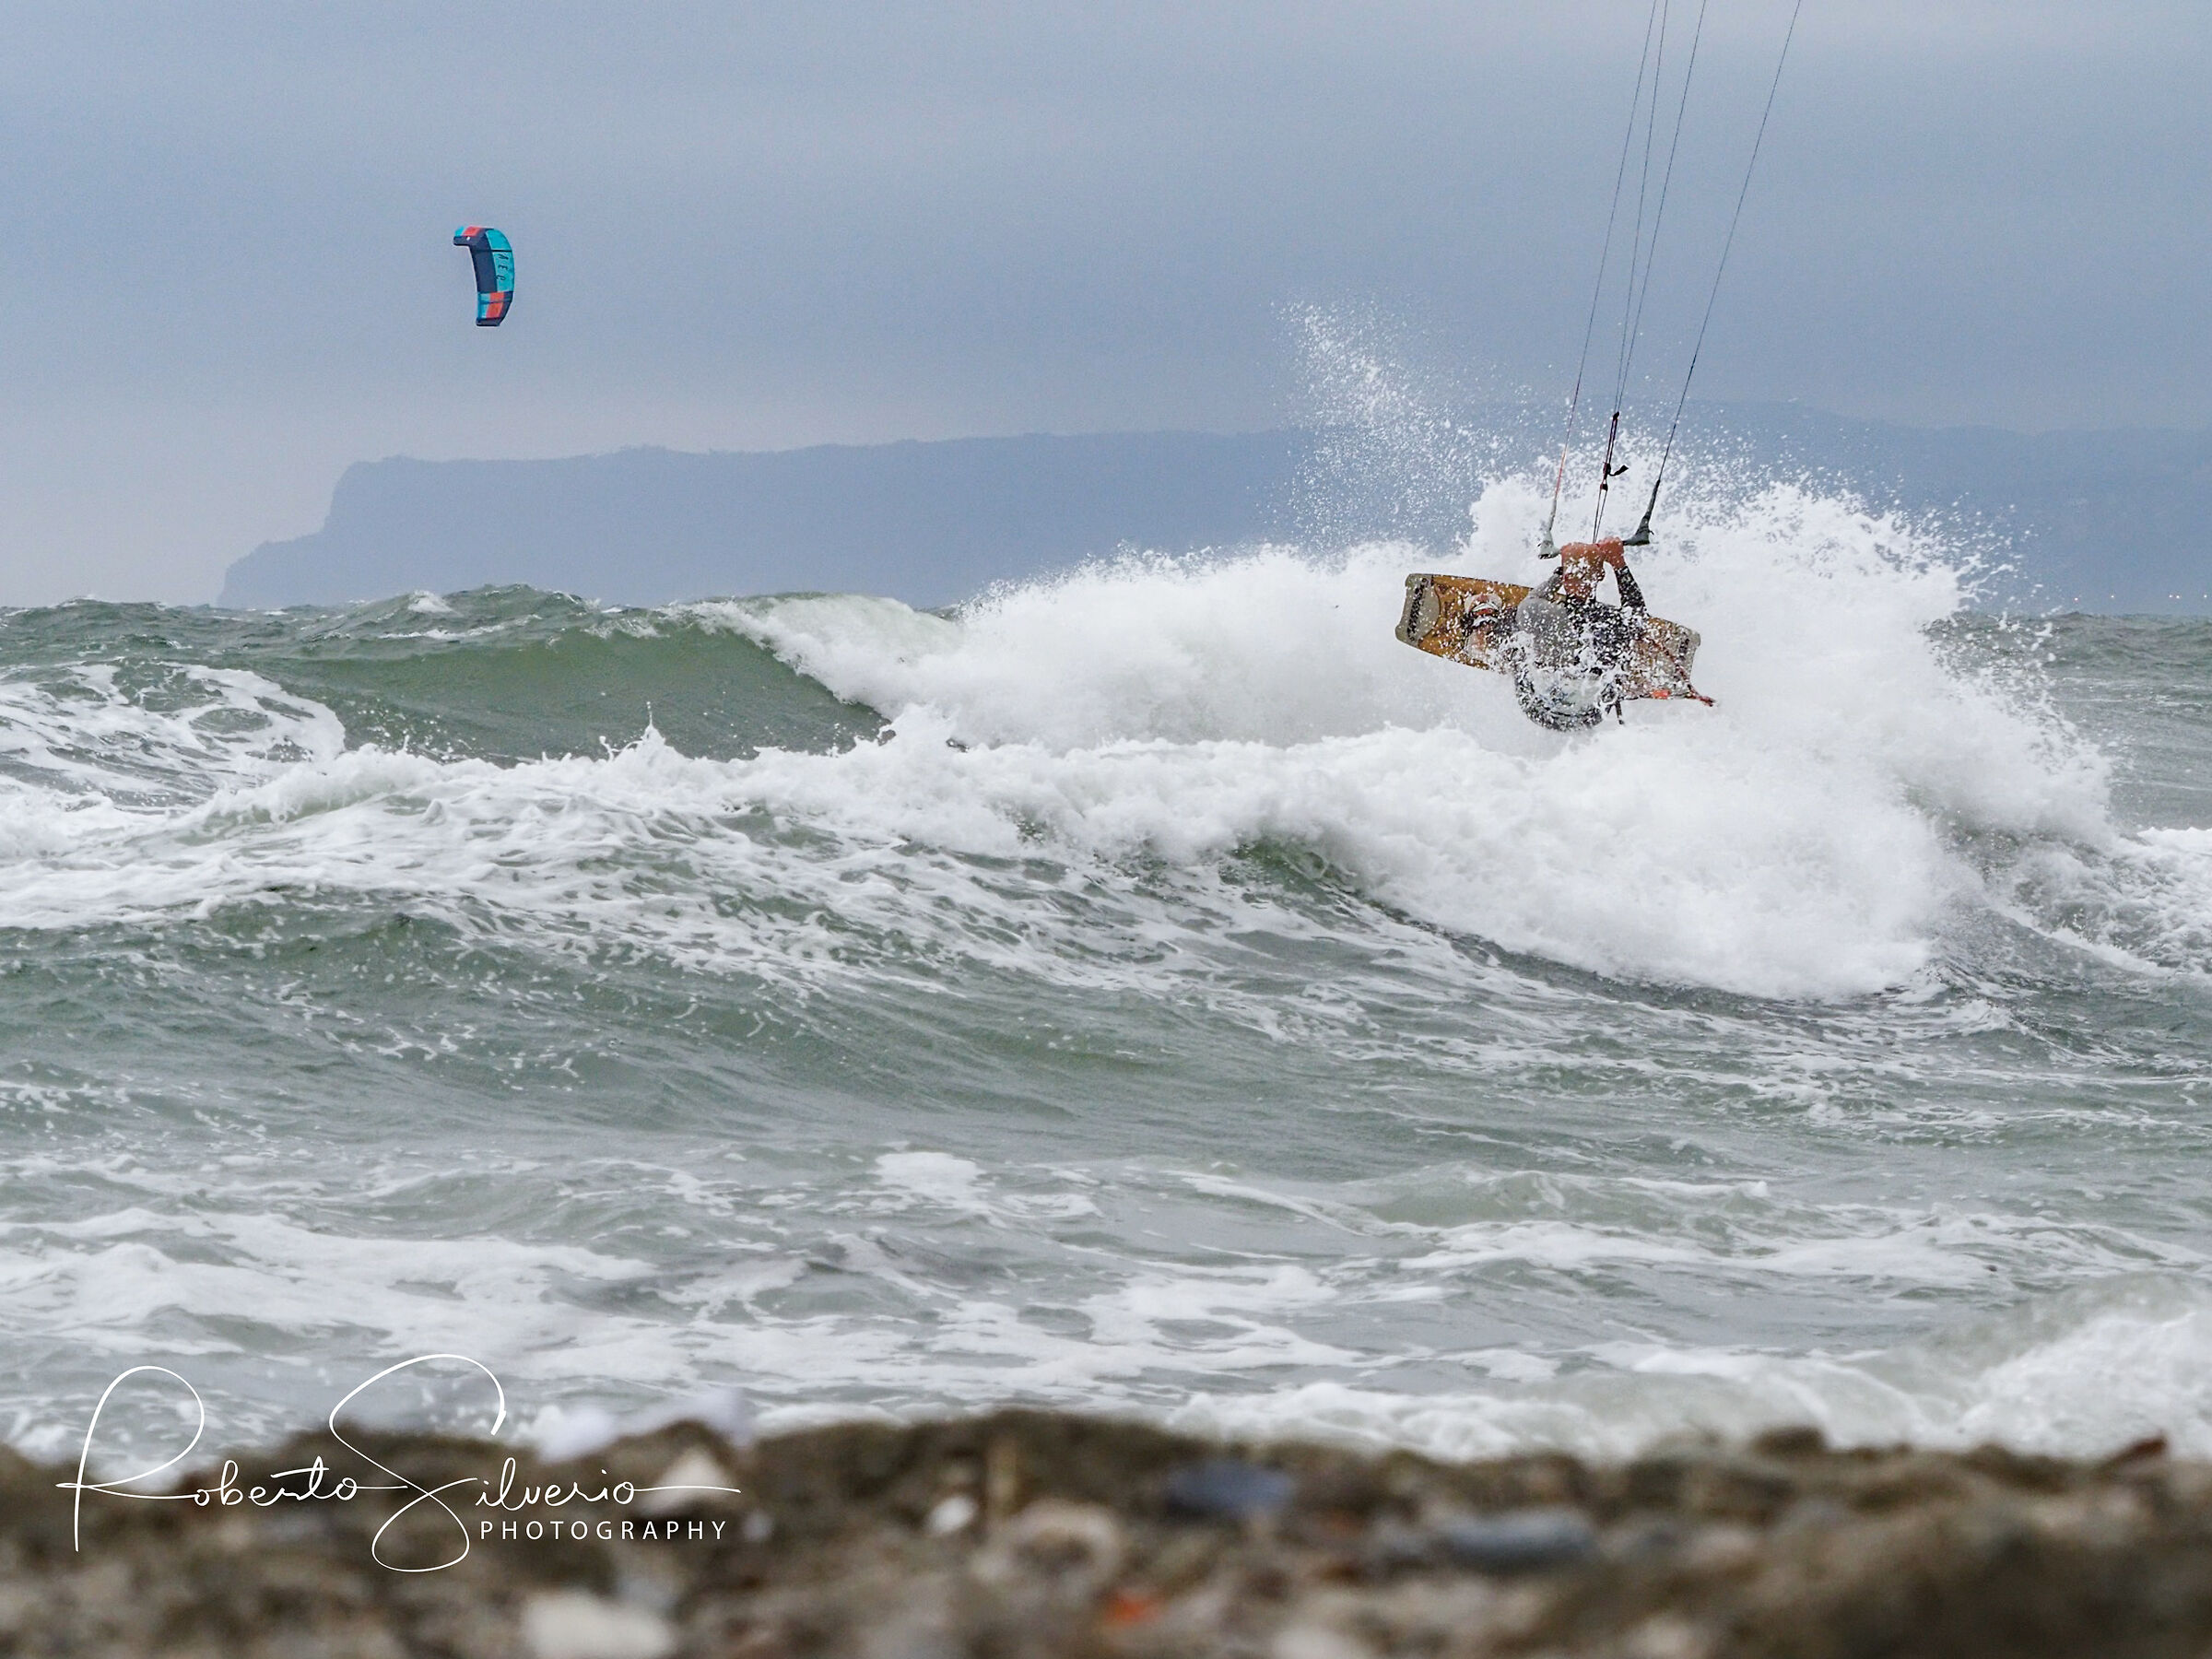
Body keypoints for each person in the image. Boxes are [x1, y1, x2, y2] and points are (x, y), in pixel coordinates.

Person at [1510, 524, 1651, 727]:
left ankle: (1485, 630)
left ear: (1565, 578)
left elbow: (1534, 597)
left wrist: (1562, 570)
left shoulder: (1538, 611)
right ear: (1600, 577)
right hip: (1588, 716)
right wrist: (1619, 565)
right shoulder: (1609, 619)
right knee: (1617, 649)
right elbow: (1637, 616)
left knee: (1520, 640)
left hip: (1536, 707)